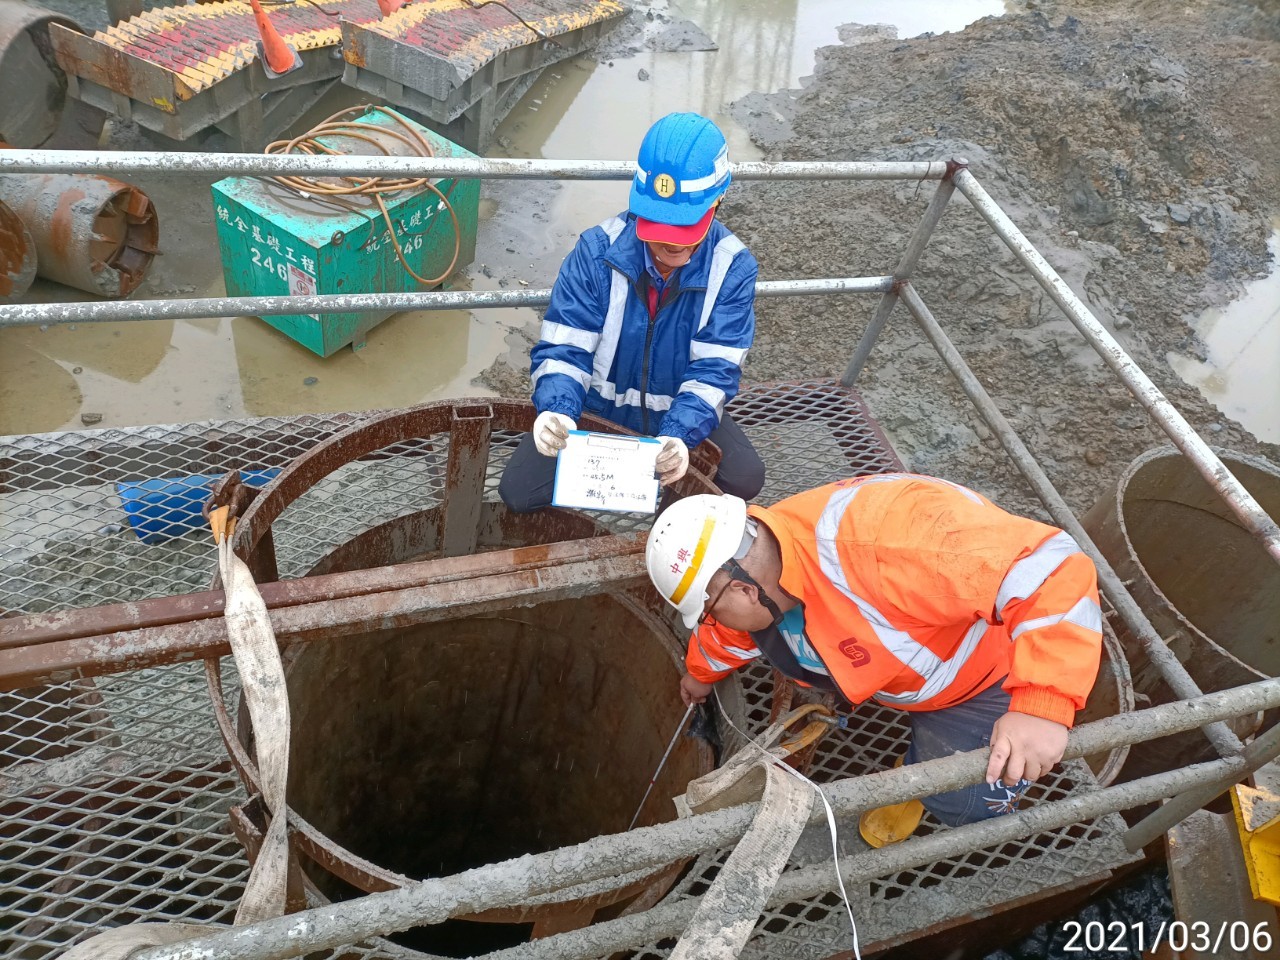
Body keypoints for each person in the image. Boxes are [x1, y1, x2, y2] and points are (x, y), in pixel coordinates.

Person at [644, 473, 1103, 843]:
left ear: (742, 588)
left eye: (707, 610)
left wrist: (1041, 704)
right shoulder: (760, 565)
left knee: (965, 805)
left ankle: (924, 777)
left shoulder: (896, 544)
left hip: (983, 681)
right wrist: (700, 675)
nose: (710, 621)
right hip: (897, 671)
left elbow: (1050, 569)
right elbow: (726, 633)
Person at [499, 112, 765, 513]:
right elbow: (563, 349)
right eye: (657, 226)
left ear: (718, 201)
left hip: (672, 416)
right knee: (519, 491)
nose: (668, 246)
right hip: (594, 413)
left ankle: (663, 502)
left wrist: (679, 436)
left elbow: (715, 370)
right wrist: (557, 410)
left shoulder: (733, 268)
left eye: (682, 230)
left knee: (743, 479)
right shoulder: (595, 253)